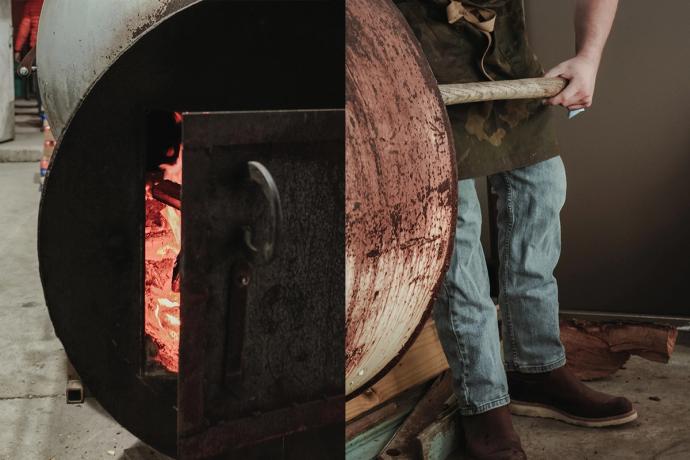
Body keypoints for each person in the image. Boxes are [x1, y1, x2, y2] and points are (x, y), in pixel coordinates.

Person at [393, 1, 623, 459]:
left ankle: (535, 369)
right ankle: (484, 403)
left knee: (540, 191)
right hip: (414, 54)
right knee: (455, 231)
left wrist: (589, 57)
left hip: (505, 54)